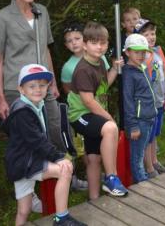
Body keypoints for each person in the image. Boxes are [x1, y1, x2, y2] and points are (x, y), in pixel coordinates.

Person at [0, 0, 62, 212]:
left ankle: (57, 182)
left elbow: (47, 49)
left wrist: (52, 82)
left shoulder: (42, 12)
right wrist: (0, 98)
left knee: (52, 130)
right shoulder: (2, 17)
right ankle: (27, 196)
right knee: (26, 141)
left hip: (43, 85)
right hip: (16, 88)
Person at [3, 64, 85, 226]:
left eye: (42, 85)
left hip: (24, 160)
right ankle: (61, 218)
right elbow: (36, 140)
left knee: (24, 210)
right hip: (25, 162)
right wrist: (58, 157)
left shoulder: (37, 105)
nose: (38, 89)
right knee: (64, 169)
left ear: (48, 86)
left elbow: (39, 138)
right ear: (21, 89)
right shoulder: (22, 111)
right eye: (31, 86)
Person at [67, 22, 127, 199]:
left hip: (93, 114)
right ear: (84, 45)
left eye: (103, 43)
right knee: (110, 128)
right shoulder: (83, 70)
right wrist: (109, 118)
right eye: (94, 42)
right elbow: (88, 101)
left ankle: (94, 199)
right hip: (81, 115)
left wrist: (115, 69)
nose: (99, 46)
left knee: (94, 159)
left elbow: (103, 86)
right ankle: (111, 177)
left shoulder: (100, 62)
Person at [135, 19, 165, 177]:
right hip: (147, 105)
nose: (151, 37)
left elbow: (164, 77)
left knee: (154, 134)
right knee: (147, 138)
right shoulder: (141, 57)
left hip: (159, 102)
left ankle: (155, 162)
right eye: (146, 34)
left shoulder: (157, 52)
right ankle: (149, 168)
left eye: (153, 33)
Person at [120, 33, 158, 183]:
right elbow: (128, 101)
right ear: (127, 52)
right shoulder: (128, 73)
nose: (141, 55)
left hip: (148, 118)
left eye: (143, 52)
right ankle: (142, 184)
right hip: (139, 122)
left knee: (141, 152)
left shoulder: (141, 68)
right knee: (137, 157)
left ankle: (142, 180)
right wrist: (133, 126)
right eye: (137, 52)